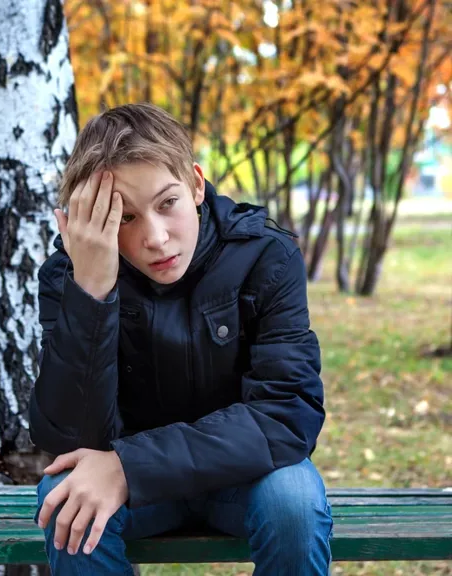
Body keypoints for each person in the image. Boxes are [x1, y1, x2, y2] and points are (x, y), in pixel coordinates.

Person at [29, 103, 333, 575]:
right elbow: (69, 438)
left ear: (195, 183)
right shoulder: (70, 276)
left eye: (167, 202)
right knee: (63, 497)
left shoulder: (265, 258)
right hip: (133, 492)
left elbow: (287, 414)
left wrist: (130, 466)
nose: (156, 236)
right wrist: (92, 292)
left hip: (245, 477)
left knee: (293, 499)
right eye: (124, 218)